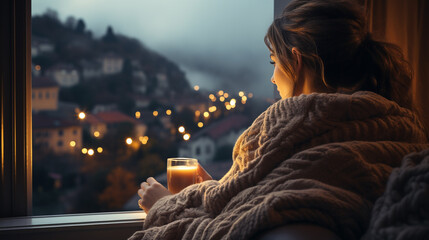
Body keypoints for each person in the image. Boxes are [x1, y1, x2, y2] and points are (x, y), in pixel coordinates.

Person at [130, 0, 428, 239]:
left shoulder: (299, 143)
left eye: (274, 63)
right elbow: (263, 194)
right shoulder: (400, 133)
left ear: (295, 63)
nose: (272, 78)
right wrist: (222, 189)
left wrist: (164, 206)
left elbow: (243, 224)